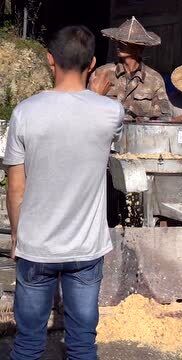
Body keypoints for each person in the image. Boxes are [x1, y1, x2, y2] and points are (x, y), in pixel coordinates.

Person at [5, 26, 123, 359]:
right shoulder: (111, 112)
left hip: (36, 246)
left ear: (49, 60)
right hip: (85, 250)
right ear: (94, 62)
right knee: (82, 344)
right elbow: (89, 121)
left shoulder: (24, 113)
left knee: (27, 344)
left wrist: (17, 236)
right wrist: (95, 95)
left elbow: (16, 186)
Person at [89, 16, 172, 121]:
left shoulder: (154, 79)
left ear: (139, 48)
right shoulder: (103, 73)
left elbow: (165, 117)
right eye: (118, 41)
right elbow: (88, 107)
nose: (118, 45)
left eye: (124, 43)